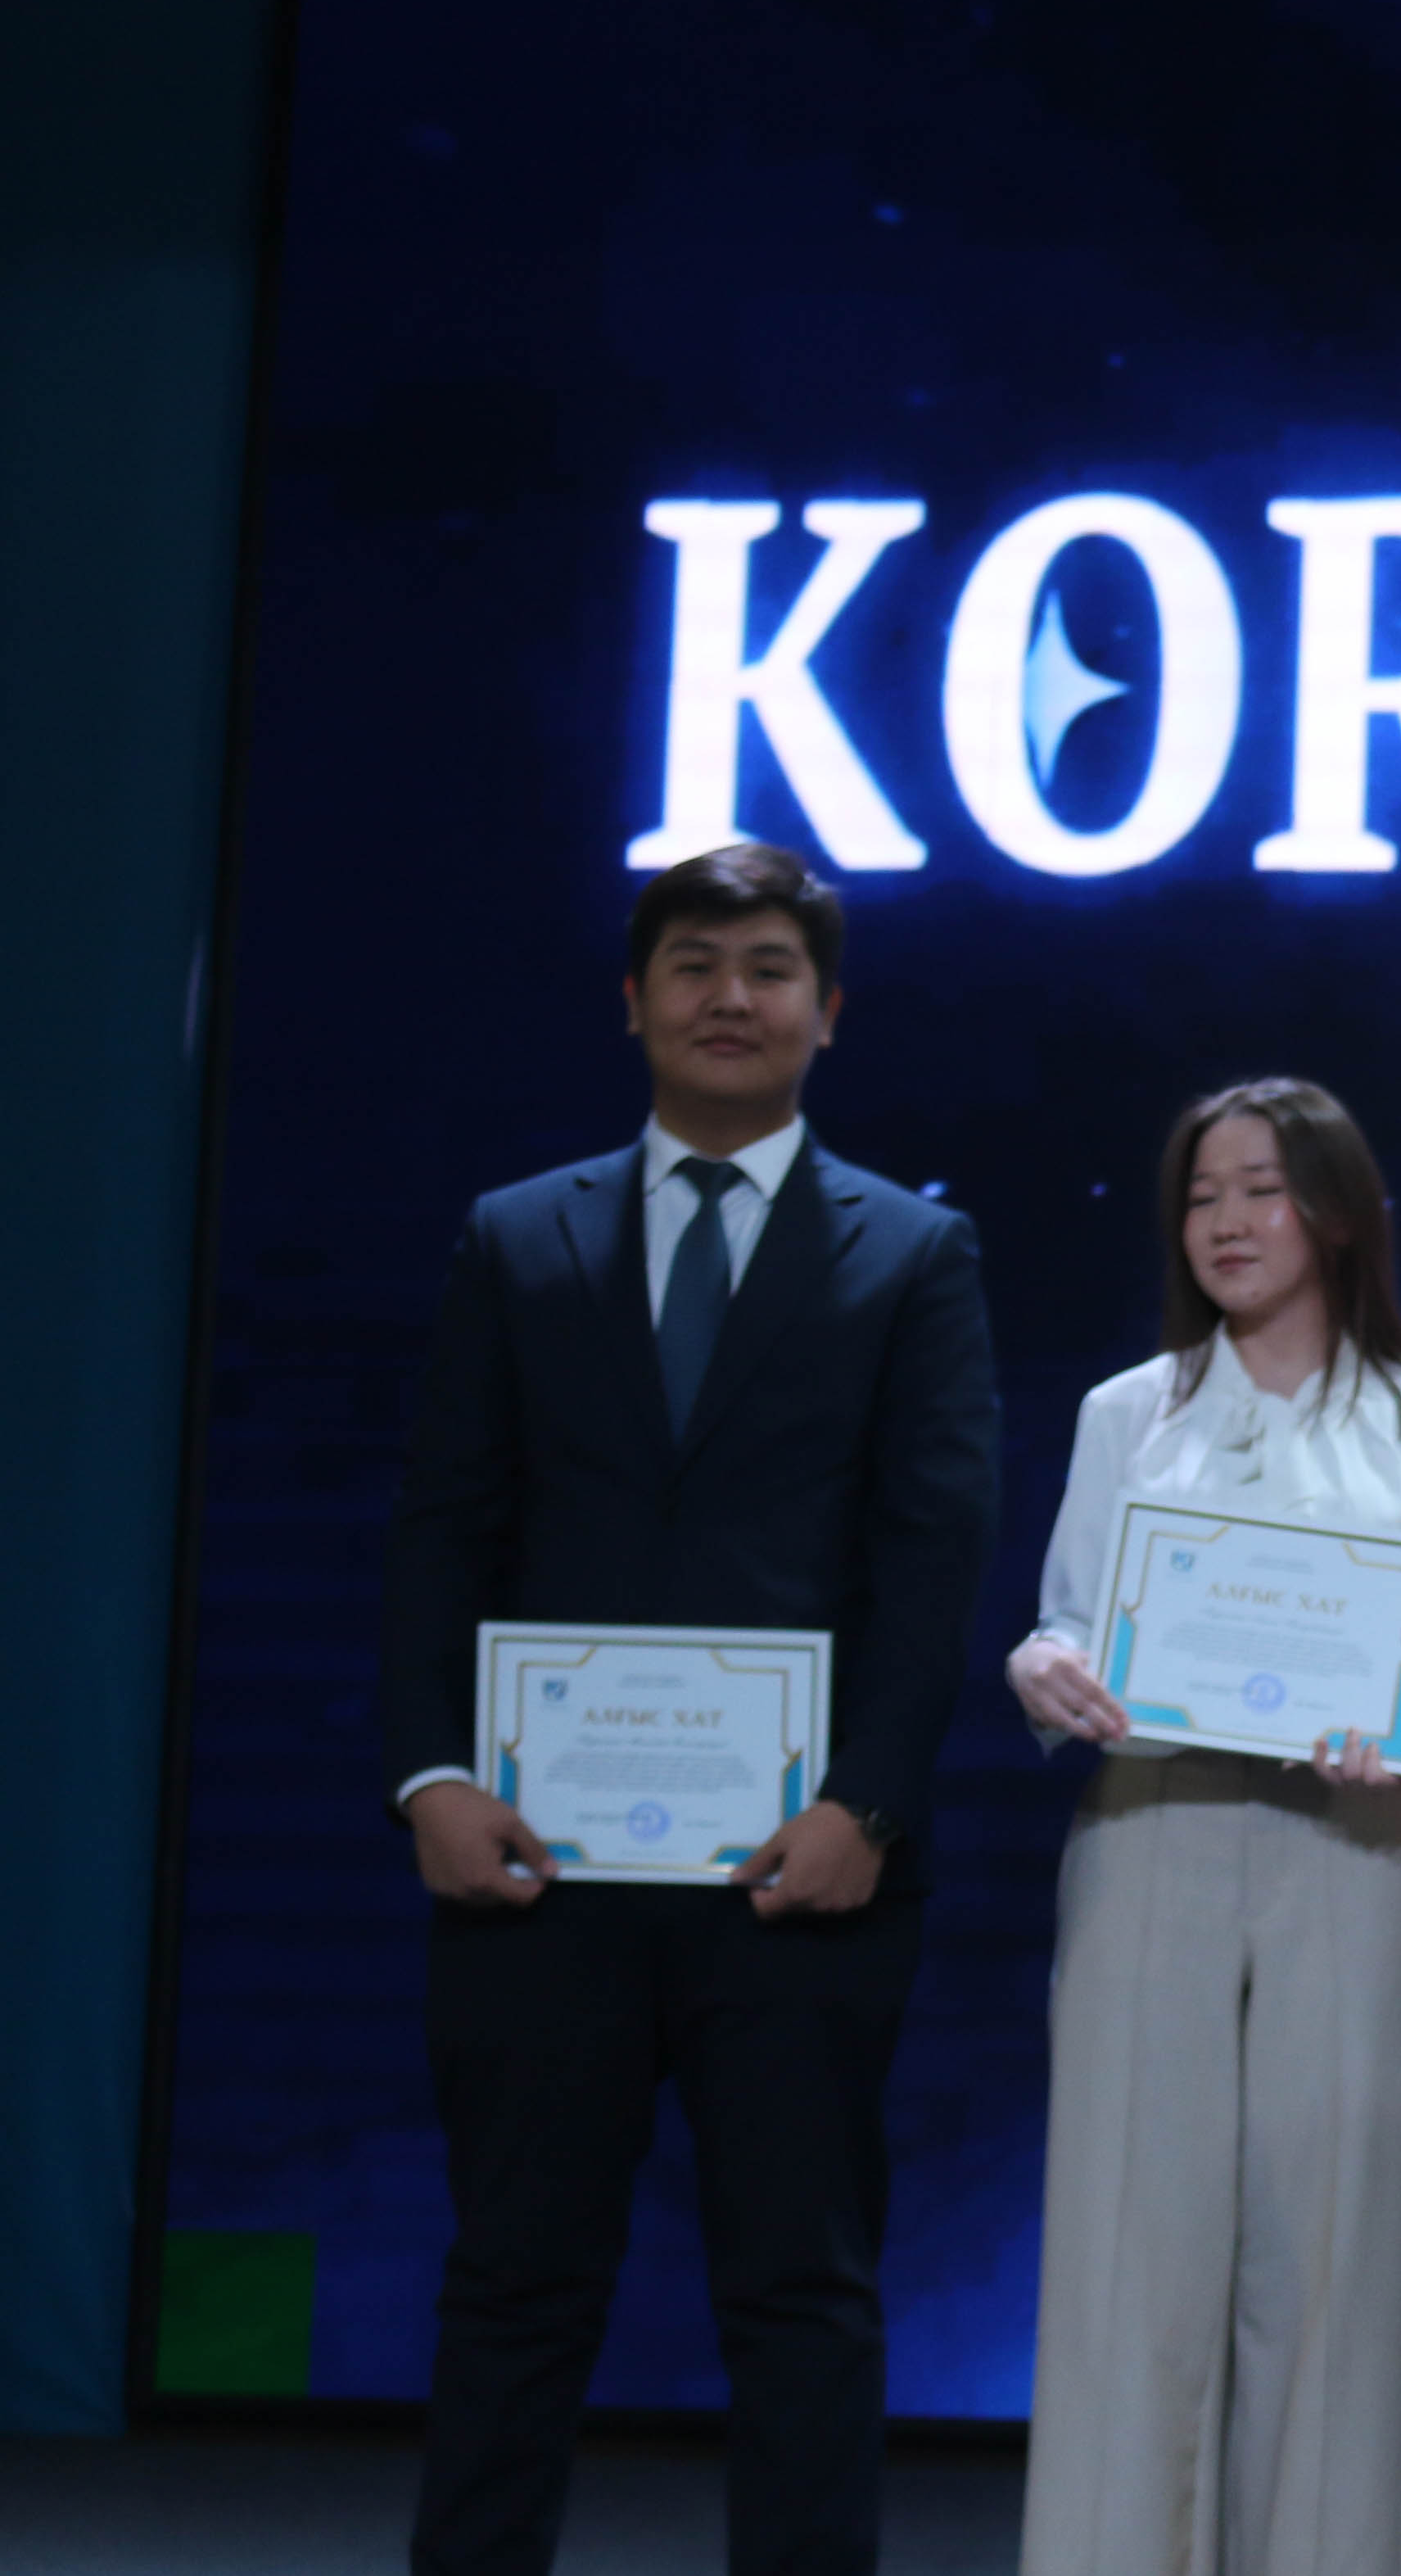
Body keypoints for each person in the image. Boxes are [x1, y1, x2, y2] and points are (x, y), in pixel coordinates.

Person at [380, 843, 1000, 2576]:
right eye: (695, 963)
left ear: (828, 1011)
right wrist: (429, 1773)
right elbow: (443, 1526)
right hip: (532, 1864)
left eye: (769, 968)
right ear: (634, 1000)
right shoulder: (517, 1235)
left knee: (802, 2292)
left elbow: (932, 1554)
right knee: (511, 2285)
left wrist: (866, 1802)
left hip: (800, 1871)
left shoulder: (913, 1253)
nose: (732, 997)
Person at [1002, 1078, 1401, 2576]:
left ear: (1338, 1212)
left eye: (1260, 1188)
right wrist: (1043, 1666)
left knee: (1336, 2253)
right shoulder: (1129, 1411)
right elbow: (1068, 1621)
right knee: (1127, 2252)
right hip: (1148, 1832)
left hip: (1351, 1847)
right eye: (1200, 1195)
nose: (1226, 1221)